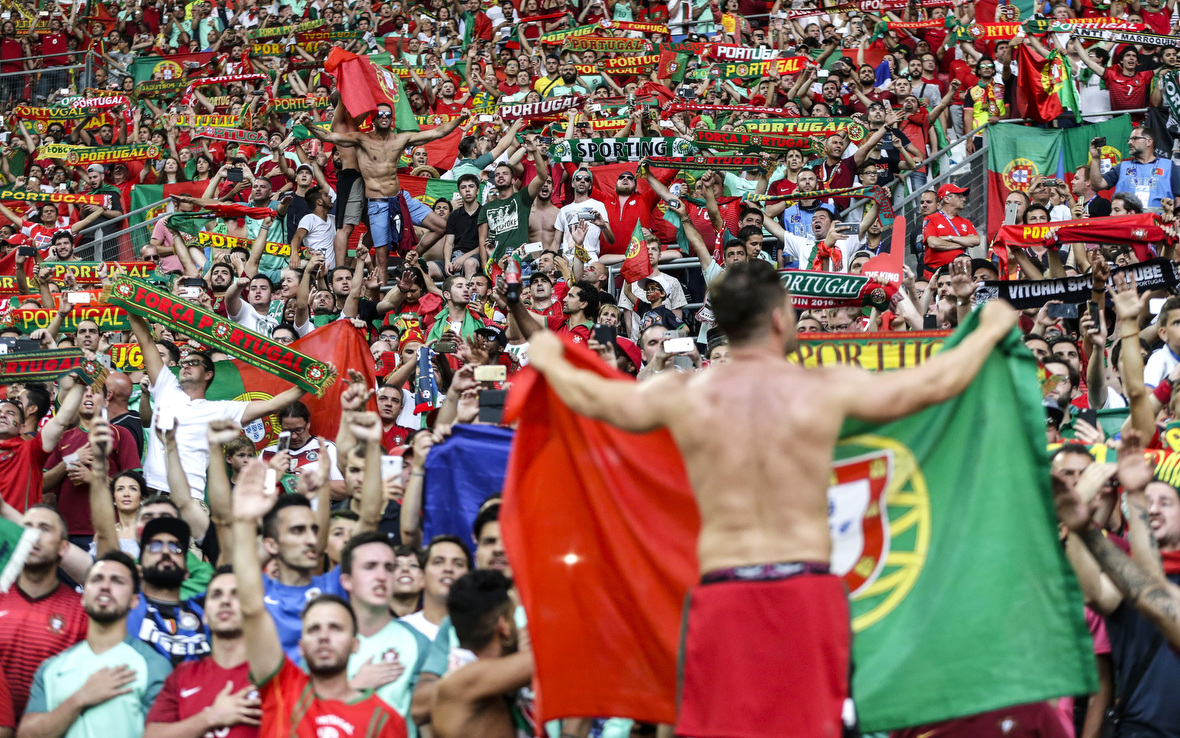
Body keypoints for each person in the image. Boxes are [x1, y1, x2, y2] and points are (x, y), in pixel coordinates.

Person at [524, 260, 1018, 737]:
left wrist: (548, 356)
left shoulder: (683, 394)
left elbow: (591, 399)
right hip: (805, 591)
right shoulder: (822, 387)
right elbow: (937, 382)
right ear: (781, 317)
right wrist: (987, 328)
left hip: (725, 592)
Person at [231, 458, 408, 738]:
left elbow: (369, 519)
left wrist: (371, 447)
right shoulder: (260, 589)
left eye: (314, 531)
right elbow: (250, 602)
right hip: (270, 704)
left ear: (354, 643)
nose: (312, 540)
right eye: (298, 531)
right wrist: (243, 520)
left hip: (334, 703)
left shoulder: (331, 587)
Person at [128, 315, 307, 496]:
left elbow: (272, 405)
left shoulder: (220, 410)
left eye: (194, 363)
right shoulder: (166, 387)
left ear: (208, 374)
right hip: (151, 493)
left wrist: (310, 383)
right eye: (184, 363)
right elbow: (145, 342)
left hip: (189, 498)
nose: (186, 366)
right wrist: (128, 302)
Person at [20, 551, 172, 738]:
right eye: (97, 579)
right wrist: (80, 698)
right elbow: (26, 735)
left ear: (134, 601)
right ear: (83, 597)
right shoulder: (51, 668)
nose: (105, 586)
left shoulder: (153, 665)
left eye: (117, 581)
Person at [143, 567, 261, 738]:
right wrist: (211, 717)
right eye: (216, 595)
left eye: (236, 594)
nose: (225, 601)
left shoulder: (270, 673)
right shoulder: (182, 675)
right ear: (204, 615)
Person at [0, 505, 88, 718]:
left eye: (44, 528)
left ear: (63, 548)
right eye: (26, 527)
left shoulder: (81, 612)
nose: (32, 535)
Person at [340, 532, 431, 733]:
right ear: (347, 581)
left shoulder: (418, 643)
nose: (382, 576)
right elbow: (307, 711)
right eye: (370, 567)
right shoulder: (326, 638)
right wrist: (354, 687)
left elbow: (427, 723)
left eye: (389, 568)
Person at [430, 570, 532, 738]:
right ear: (503, 626)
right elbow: (549, 656)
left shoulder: (487, 680)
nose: (519, 626)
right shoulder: (460, 681)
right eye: (514, 616)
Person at [1089, 127, 1180, 210]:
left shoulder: (1168, 165)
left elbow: (1178, 198)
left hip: (1159, 221)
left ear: (1149, 141)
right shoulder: (1122, 167)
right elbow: (1098, 184)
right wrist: (1095, 158)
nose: (1129, 142)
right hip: (1127, 221)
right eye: (1129, 139)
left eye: (1134, 139)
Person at [920, 183, 980, 278]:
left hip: (960, 275)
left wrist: (949, 238)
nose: (964, 199)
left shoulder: (966, 222)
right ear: (947, 199)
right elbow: (934, 243)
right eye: (959, 196)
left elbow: (976, 240)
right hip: (936, 274)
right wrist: (963, 243)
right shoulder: (930, 219)